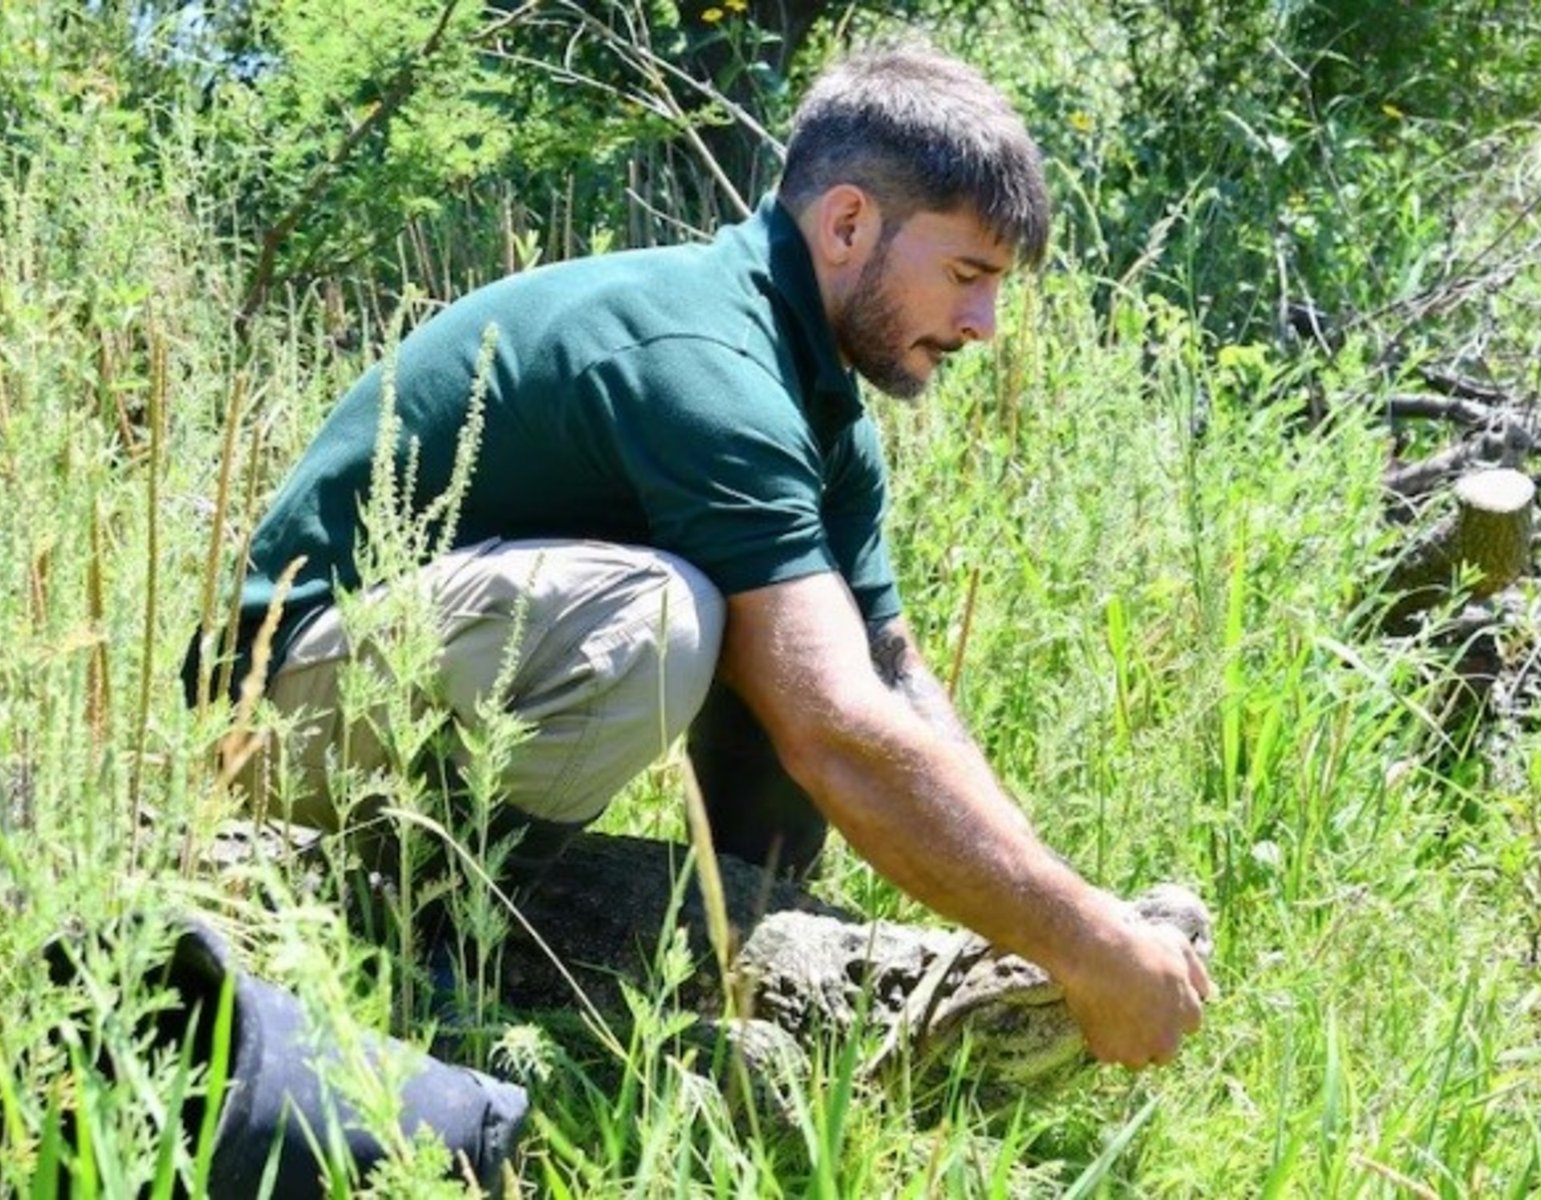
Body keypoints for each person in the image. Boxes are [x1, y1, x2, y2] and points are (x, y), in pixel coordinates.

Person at [186, 44, 1210, 1069]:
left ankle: (738, 941)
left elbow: (890, 682)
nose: (983, 324)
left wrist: (1057, 906)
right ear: (847, 225)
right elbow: (834, 731)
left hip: (419, 684)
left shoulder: (817, 407)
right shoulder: (705, 365)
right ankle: (424, 950)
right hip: (280, 711)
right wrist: (1086, 943)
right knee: (661, 619)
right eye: (967, 275)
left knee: (809, 636)